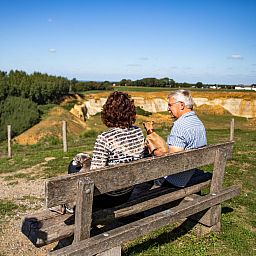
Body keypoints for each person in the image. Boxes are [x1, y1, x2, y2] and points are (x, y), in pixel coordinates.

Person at [68, 91, 145, 209]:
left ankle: (76, 206)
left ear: (108, 112)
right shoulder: (138, 132)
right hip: (128, 192)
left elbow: (95, 175)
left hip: (109, 197)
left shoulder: (105, 138)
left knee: (73, 166)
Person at [147, 89, 207, 187]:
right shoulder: (198, 122)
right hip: (190, 172)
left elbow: (173, 161)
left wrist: (154, 151)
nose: (168, 109)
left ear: (182, 105)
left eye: (170, 105)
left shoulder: (180, 126)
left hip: (176, 180)